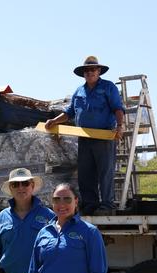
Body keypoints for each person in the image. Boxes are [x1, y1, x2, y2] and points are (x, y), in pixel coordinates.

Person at [45, 56, 125, 215]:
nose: (90, 72)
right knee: (86, 173)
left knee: (105, 172)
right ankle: (90, 204)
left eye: (93, 69)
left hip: (104, 137)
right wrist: (54, 121)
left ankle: (107, 206)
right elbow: (69, 112)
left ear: (99, 71)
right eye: (87, 70)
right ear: (83, 74)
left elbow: (118, 108)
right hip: (84, 138)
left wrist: (120, 126)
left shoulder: (108, 87)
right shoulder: (79, 91)